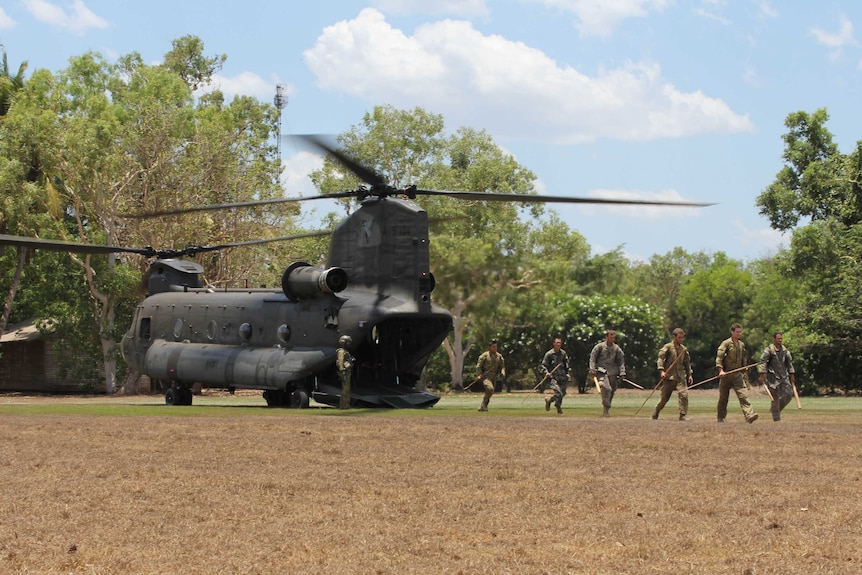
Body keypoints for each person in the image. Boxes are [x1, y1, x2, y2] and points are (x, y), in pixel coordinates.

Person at [715, 323, 758, 423]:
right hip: (726, 375)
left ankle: (749, 415)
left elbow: (743, 358)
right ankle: (720, 418)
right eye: (737, 332)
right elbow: (719, 358)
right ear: (732, 332)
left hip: (737, 375)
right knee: (723, 398)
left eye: (740, 332)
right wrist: (721, 371)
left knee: (743, 395)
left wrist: (745, 369)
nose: (739, 334)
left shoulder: (741, 344)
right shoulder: (726, 343)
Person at [653, 328, 694, 420]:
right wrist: (662, 371)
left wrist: (689, 374)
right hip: (669, 377)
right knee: (664, 398)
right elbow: (660, 359)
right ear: (674, 337)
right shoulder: (668, 347)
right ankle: (657, 411)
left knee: (684, 395)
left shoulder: (683, 349)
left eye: (682, 338)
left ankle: (682, 415)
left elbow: (687, 363)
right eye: (679, 337)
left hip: (680, 376)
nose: (681, 339)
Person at [758, 332, 796, 421]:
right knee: (775, 398)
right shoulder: (769, 350)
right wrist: (762, 374)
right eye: (779, 338)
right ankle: (776, 418)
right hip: (772, 377)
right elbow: (763, 362)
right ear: (774, 339)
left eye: (781, 338)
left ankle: (775, 409)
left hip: (783, 376)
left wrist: (792, 374)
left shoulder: (785, 350)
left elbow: (789, 363)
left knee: (788, 394)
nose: (780, 340)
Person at [589, 330, 626, 417]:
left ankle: (606, 410)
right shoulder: (599, 347)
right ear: (606, 337)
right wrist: (592, 369)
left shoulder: (617, 349)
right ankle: (606, 404)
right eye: (610, 337)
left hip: (613, 373)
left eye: (613, 337)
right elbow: (592, 358)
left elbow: (621, 361)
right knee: (607, 388)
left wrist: (622, 372)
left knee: (611, 392)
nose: (612, 339)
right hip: (602, 371)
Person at [540, 337, 569, 414]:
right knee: (559, 393)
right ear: (554, 344)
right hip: (553, 377)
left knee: (563, 393)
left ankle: (550, 399)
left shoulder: (563, 353)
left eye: (560, 343)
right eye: (557, 343)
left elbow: (566, 364)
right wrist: (546, 372)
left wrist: (567, 373)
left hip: (562, 377)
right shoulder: (549, 354)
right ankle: (558, 406)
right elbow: (543, 365)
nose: (559, 344)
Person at [476, 339, 506, 412]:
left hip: (494, 376)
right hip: (486, 375)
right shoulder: (484, 356)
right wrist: (479, 375)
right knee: (490, 389)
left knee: (490, 392)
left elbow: (502, 366)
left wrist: (503, 372)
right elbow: (478, 366)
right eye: (493, 346)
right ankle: (484, 405)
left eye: (496, 346)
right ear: (489, 347)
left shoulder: (499, 356)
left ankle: (484, 405)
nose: (495, 348)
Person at [336, 334, 355, 410]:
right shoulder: (341, 352)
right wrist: (342, 369)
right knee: (345, 390)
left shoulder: (345, 352)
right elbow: (340, 361)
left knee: (346, 389)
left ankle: (345, 405)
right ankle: (344, 405)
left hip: (347, 372)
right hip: (344, 372)